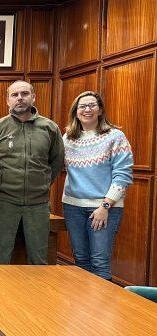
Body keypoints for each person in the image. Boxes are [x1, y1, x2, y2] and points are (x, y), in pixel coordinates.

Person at [0, 80, 64, 265]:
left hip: (38, 204)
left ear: (33, 97)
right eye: (15, 95)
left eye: (24, 94)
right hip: (4, 203)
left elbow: (57, 161)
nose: (20, 98)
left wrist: (41, 183)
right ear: (8, 100)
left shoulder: (50, 128)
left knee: (39, 259)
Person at [62, 91, 133, 280]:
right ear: (75, 112)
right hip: (73, 207)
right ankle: (82, 308)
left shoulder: (115, 136)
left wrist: (105, 206)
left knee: (99, 262)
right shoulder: (68, 138)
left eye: (92, 105)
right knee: (80, 260)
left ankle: (99, 309)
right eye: (82, 106)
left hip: (104, 208)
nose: (87, 110)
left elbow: (123, 175)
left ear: (100, 110)